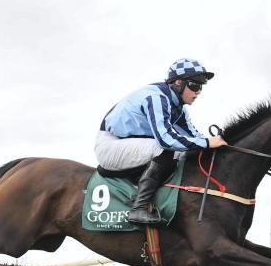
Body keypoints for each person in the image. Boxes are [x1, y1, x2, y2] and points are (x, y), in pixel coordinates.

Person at [95, 58, 227, 226]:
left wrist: (219, 145)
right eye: (195, 85)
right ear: (178, 83)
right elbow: (166, 140)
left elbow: (195, 137)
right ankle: (138, 209)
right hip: (110, 145)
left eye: (201, 87)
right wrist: (207, 143)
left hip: (130, 143)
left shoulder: (179, 109)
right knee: (166, 149)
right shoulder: (156, 98)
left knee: (184, 151)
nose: (199, 91)